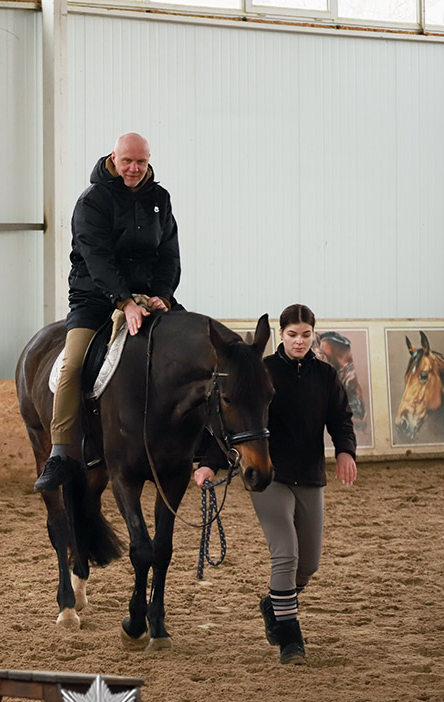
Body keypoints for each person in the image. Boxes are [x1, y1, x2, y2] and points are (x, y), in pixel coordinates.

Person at [195, 303, 357, 665]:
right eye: (292, 334)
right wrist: (208, 463)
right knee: (286, 553)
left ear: (314, 335)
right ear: (280, 335)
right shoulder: (261, 371)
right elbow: (235, 419)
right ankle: (290, 638)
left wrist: (346, 450)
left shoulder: (326, 375)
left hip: (311, 475)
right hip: (270, 476)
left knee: (308, 564)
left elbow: (341, 418)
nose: (299, 341)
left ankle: (274, 604)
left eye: (306, 335)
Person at [36, 132, 182, 491]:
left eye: (141, 162)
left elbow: (169, 254)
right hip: (95, 298)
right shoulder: (93, 200)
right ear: (113, 159)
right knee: (73, 365)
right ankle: (59, 452)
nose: (134, 168)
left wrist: (162, 295)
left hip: (147, 297)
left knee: (189, 351)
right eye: (127, 161)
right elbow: (96, 257)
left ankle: (202, 443)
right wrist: (124, 301)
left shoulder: (160, 199)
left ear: (149, 161)